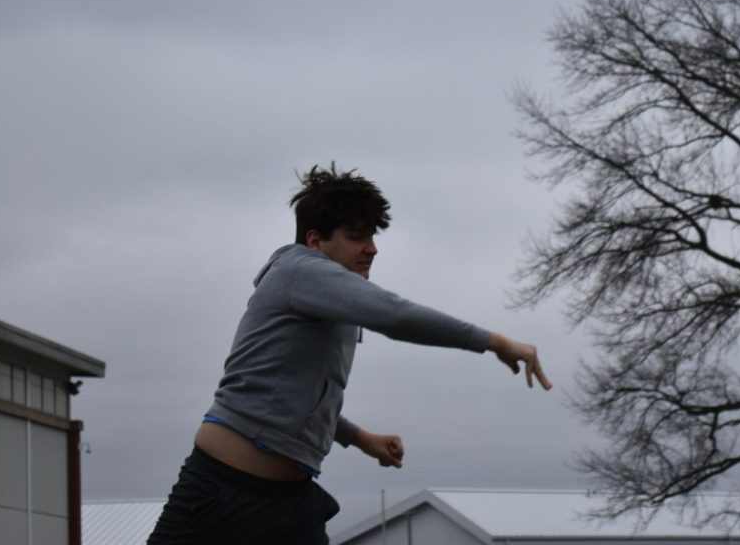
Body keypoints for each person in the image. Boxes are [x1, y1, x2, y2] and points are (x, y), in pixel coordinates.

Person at [147, 164, 551, 544]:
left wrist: (360, 438)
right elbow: (395, 315)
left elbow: (297, 390)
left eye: (373, 237)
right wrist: (494, 341)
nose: (372, 249)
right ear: (315, 240)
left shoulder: (330, 303)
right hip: (222, 492)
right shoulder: (299, 271)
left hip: (291, 502)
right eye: (357, 237)